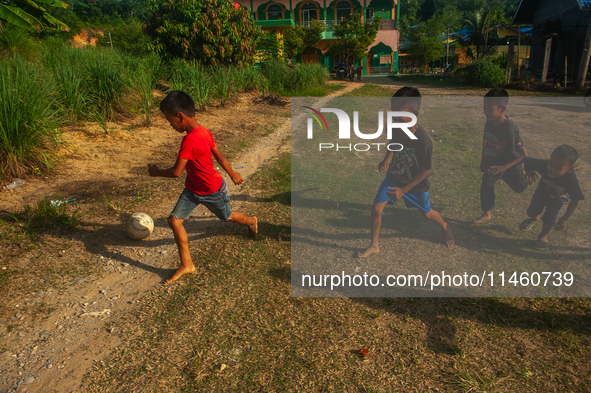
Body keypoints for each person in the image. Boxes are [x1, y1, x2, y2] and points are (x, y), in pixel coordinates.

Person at [148, 91, 258, 283]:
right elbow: (219, 156)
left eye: (169, 120)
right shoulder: (204, 131)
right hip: (192, 189)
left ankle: (251, 221)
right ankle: (187, 264)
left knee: (227, 216)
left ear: (180, 116)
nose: (170, 125)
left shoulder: (190, 140)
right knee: (174, 220)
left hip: (212, 191)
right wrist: (232, 173)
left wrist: (156, 172)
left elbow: (176, 172)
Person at [358, 87, 454, 258]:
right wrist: (386, 159)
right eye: (392, 111)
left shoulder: (423, 141)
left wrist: (404, 190)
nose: (393, 116)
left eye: (398, 112)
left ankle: (445, 226)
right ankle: (374, 245)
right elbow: (393, 142)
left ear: (414, 114)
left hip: (415, 185)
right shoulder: (395, 126)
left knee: (427, 214)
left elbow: (426, 170)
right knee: (376, 208)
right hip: (394, 177)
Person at [489, 145, 584, 250]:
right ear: (550, 157)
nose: (552, 169)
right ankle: (534, 218)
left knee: (550, 217)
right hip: (542, 191)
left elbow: (575, 199)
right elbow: (524, 159)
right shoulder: (543, 164)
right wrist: (505, 167)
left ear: (569, 169)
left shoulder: (571, 180)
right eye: (551, 163)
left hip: (558, 197)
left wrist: (564, 219)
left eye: (559, 168)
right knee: (533, 210)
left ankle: (543, 235)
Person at [473, 87, 530, 224]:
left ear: (502, 109)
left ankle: (524, 180)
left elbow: (521, 151)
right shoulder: (490, 121)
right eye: (484, 108)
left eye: (490, 109)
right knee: (486, 184)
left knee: (520, 188)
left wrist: (528, 166)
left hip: (510, 166)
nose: (486, 112)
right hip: (494, 165)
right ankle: (487, 213)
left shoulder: (510, 129)